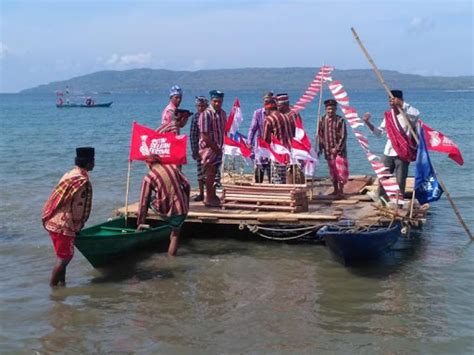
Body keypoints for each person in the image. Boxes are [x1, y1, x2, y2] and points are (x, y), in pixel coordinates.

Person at [42, 147, 95, 286]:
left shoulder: (70, 174)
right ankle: (53, 290)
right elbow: (79, 207)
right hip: (64, 225)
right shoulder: (82, 181)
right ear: (88, 163)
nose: (94, 164)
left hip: (53, 221)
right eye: (93, 161)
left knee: (61, 257)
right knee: (64, 258)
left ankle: (62, 285)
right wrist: (78, 225)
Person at [363, 90, 419, 198]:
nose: (391, 102)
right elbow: (379, 133)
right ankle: (382, 199)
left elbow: (416, 115)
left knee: (400, 179)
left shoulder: (407, 115)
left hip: (403, 152)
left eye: (393, 99)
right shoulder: (389, 116)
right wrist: (367, 122)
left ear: (399, 100)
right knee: (383, 177)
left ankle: (399, 201)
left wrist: (401, 104)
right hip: (389, 151)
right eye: (389, 100)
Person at [136, 154, 190, 256]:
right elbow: (187, 184)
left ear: (149, 164)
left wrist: (140, 221)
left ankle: (170, 258)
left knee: (149, 200)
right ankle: (171, 257)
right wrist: (185, 201)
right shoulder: (173, 167)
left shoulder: (149, 177)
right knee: (175, 234)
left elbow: (143, 201)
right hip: (182, 209)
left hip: (165, 210)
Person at [199, 90, 226, 206]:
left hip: (220, 146)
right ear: (211, 101)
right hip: (209, 148)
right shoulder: (206, 114)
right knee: (209, 173)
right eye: (215, 101)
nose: (217, 104)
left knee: (215, 173)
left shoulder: (223, 113)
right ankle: (208, 198)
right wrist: (215, 148)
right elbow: (204, 135)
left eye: (219, 101)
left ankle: (213, 195)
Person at [317, 99, 348, 198]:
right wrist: (320, 148)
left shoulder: (340, 120)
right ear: (326, 109)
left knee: (340, 171)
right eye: (329, 109)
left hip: (339, 152)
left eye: (333, 109)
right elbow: (320, 135)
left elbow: (343, 136)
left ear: (336, 109)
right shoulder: (322, 120)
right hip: (328, 151)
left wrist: (337, 148)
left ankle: (341, 191)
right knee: (332, 171)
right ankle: (335, 190)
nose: (330, 111)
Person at [263, 93, 297, 184]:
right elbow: (294, 133)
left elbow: (266, 140)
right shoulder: (286, 117)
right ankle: (289, 192)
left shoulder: (269, 119)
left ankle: (282, 194)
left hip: (278, 153)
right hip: (290, 151)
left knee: (278, 178)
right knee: (289, 174)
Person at [248, 91, 276, 183]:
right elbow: (252, 129)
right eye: (266, 101)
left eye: (269, 101)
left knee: (272, 170)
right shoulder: (258, 113)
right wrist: (249, 142)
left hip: (273, 145)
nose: (267, 104)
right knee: (259, 168)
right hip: (260, 145)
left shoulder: (276, 113)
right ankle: (258, 188)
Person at [190, 96, 209, 201]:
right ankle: (201, 193)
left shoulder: (210, 116)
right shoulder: (195, 118)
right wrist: (194, 150)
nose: (201, 108)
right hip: (199, 149)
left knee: (210, 172)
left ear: (206, 106)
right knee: (200, 172)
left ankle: (210, 194)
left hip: (210, 149)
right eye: (199, 106)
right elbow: (193, 135)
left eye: (203, 106)